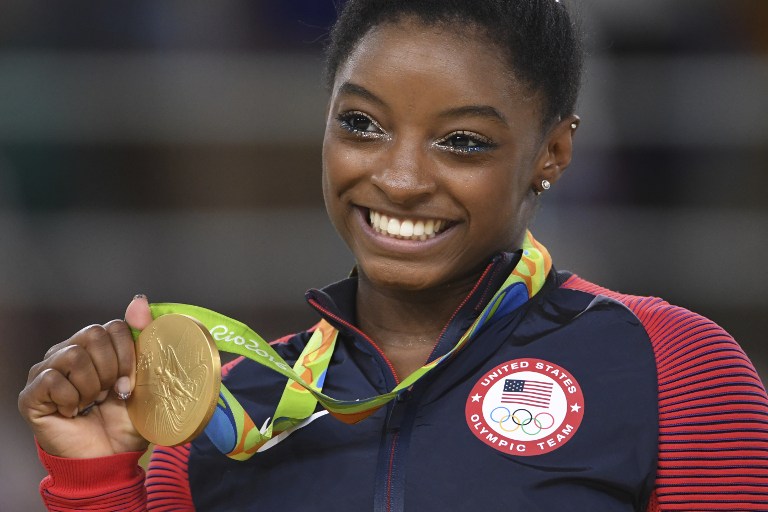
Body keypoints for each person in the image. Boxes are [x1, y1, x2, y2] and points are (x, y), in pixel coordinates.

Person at [18, 1, 768, 510]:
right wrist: (97, 475)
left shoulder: (671, 369)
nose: (401, 179)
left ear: (553, 152)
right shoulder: (224, 417)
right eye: (362, 124)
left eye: (462, 141)